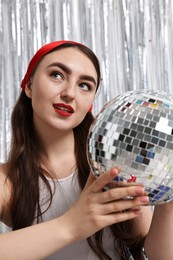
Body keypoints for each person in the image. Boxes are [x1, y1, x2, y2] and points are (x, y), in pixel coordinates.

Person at [0, 40, 172, 260]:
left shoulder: (115, 166)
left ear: (90, 101)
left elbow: (159, 255)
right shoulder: (7, 182)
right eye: (57, 75)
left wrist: (169, 197)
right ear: (29, 85)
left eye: (84, 85)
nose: (70, 93)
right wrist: (71, 225)